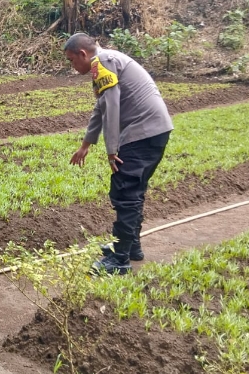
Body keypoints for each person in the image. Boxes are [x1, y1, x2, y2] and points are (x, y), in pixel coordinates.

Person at [65, 33, 173, 275]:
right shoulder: (107, 61)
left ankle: (119, 259)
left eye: (72, 61)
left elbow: (112, 107)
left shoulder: (102, 62)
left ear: (83, 54)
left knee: (125, 191)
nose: (72, 67)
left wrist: (111, 150)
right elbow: (101, 106)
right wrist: (86, 144)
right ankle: (130, 245)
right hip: (155, 131)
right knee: (134, 190)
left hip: (142, 133)